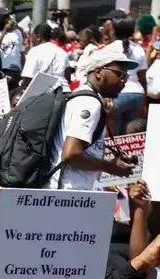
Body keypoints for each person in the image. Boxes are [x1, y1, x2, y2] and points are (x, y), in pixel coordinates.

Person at [47, 45, 138, 190]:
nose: (124, 80)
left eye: (126, 76)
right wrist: (110, 167)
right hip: (69, 192)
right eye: (120, 74)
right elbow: (71, 154)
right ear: (98, 72)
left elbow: (87, 148)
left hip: (71, 191)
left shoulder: (86, 97)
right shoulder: (89, 102)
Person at [103, 15, 149, 133]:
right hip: (137, 94)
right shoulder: (139, 49)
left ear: (115, 30)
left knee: (112, 134)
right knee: (130, 136)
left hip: (116, 95)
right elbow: (143, 78)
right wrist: (144, 102)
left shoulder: (109, 49)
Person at [21, 23, 71, 92]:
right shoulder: (62, 52)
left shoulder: (34, 51)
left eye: (32, 37)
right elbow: (68, 77)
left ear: (38, 37)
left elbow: (27, 79)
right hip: (65, 92)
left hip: (46, 95)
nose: (32, 41)